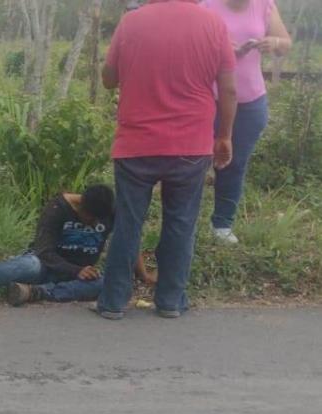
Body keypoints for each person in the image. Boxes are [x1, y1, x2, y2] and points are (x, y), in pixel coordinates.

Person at [96, 0, 238, 320]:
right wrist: (225, 136)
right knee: (181, 224)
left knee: (128, 223)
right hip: (190, 144)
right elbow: (229, 90)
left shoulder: (131, 22)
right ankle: (171, 300)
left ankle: (113, 302)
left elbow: (108, 79)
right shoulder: (213, 24)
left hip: (136, 144)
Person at [0, 185, 156, 311]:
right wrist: (75, 270)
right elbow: (44, 251)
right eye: (90, 219)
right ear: (80, 206)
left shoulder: (109, 209)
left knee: (110, 283)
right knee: (28, 265)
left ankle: (34, 293)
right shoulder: (57, 208)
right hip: (45, 264)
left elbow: (131, 239)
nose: (93, 224)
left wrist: (143, 275)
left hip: (78, 276)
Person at [203, 0, 292, 244]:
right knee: (195, 161)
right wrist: (221, 50)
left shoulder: (264, 5)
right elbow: (190, 46)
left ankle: (222, 223)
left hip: (250, 100)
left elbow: (286, 44)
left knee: (235, 162)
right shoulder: (206, 5)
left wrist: (274, 43)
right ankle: (183, 220)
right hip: (210, 98)